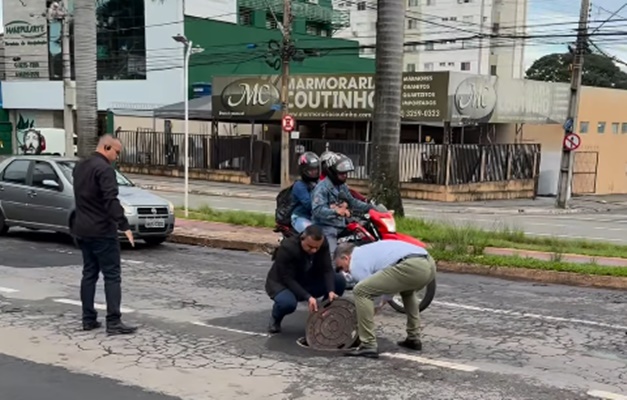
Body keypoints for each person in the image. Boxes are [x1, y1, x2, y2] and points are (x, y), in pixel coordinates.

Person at [72, 134, 137, 336]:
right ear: (106, 147)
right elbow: (111, 200)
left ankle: (88, 319)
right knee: (112, 275)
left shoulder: (80, 167)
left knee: (89, 273)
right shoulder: (105, 170)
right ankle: (114, 321)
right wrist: (124, 225)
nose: (117, 157)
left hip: (82, 228)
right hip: (102, 230)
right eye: (116, 152)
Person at [333, 241, 437, 359]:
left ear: (345, 257)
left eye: (341, 267)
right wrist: (381, 302)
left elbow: (369, 293)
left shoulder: (355, 262)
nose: (345, 272)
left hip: (411, 266)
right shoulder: (366, 250)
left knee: (360, 290)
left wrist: (371, 311)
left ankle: (368, 344)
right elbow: (386, 287)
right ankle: (414, 338)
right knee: (407, 291)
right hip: (428, 263)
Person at [265, 224, 347, 334]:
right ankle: (276, 318)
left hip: (306, 278)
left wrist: (331, 291)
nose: (313, 250)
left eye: (316, 248)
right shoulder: (288, 247)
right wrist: (308, 297)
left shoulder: (322, 243)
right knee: (287, 303)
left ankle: (322, 314)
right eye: (310, 247)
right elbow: (287, 278)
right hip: (282, 282)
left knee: (339, 280)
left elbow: (327, 269)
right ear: (302, 238)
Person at [311, 154, 372, 257]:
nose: (345, 175)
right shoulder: (322, 188)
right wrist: (336, 212)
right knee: (333, 256)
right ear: (332, 172)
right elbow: (317, 210)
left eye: (346, 173)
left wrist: (373, 208)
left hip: (341, 226)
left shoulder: (342, 186)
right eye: (341, 173)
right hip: (326, 227)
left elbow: (353, 202)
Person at [290, 152, 321, 233]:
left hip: (318, 218)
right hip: (301, 217)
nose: (314, 172)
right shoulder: (299, 185)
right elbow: (309, 205)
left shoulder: (320, 183)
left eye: (316, 169)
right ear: (303, 170)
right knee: (313, 234)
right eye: (311, 170)